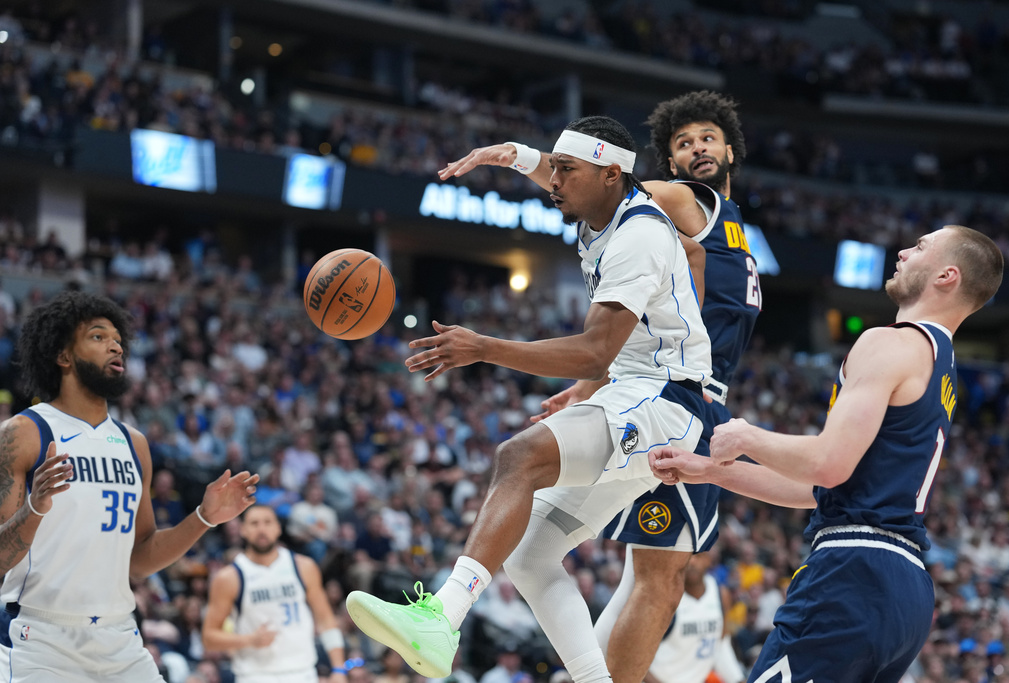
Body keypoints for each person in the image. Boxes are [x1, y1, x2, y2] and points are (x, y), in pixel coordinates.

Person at [347, 115, 713, 682]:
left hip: (670, 402)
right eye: (555, 170)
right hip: (640, 395)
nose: (555, 181)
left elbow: (595, 351)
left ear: (611, 174)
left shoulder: (638, 235)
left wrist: (483, 347)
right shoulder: (604, 208)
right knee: (528, 553)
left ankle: (442, 618)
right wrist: (512, 154)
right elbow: (562, 174)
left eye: (567, 171)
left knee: (519, 456)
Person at [437, 90, 760, 683]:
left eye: (708, 138)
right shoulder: (689, 201)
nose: (697, 148)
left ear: (732, 150)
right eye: (683, 142)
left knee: (643, 576)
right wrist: (518, 156)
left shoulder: (721, 231)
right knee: (656, 579)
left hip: (659, 390)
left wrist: (594, 382)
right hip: (679, 398)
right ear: (660, 161)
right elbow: (589, 180)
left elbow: (658, 295)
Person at [650, 225, 1004, 683]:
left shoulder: (891, 342)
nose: (901, 251)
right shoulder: (941, 365)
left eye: (919, 247)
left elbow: (827, 465)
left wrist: (746, 436)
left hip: (853, 572)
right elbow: (821, 487)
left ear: (946, 276)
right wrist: (715, 472)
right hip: (905, 589)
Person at [0, 290, 259, 682]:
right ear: (63, 355)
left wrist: (204, 517)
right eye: (99, 337)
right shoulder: (25, 433)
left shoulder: (133, 443)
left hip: (119, 638)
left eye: (118, 341)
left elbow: (139, 559)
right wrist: (34, 507)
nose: (116, 347)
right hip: (40, 640)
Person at [202, 504, 348, 683]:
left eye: (267, 522)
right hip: (254, 675)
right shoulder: (229, 577)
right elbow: (209, 638)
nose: (262, 529)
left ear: (278, 528)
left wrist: (339, 669)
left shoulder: (304, 567)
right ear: (243, 530)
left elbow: (326, 620)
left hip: (303, 672)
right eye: (254, 523)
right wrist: (249, 640)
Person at [646, 551, 744, 683]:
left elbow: (720, 645)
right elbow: (635, 656)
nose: (692, 562)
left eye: (698, 556)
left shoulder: (721, 594)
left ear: (708, 560)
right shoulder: (664, 597)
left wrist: (738, 679)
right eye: (686, 557)